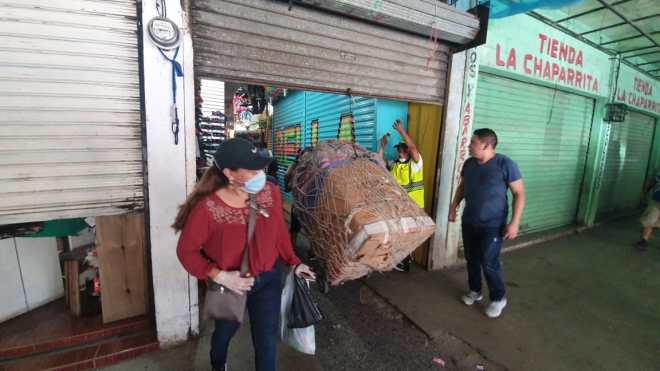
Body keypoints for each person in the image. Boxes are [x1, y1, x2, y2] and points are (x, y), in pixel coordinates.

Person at [173, 138, 314, 371]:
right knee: (223, 335)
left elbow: (279, 231)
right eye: (253, 170)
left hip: (269, 279)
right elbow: (186, 252)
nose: (261, 174)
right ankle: (219, 364)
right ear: (229, 173)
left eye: (261, 168)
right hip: (231, 283)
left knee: (267, 340)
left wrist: (294, 262)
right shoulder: (208, 209)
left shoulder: (270, 192)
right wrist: (219, 275)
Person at [448, 128, 525, 319]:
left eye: (472, 143)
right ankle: (475, 291)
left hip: (493, 224)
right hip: (470, 221)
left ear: (486, 145)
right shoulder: (469, 164)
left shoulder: (505, 164)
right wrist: (453, 206)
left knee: (488, 262)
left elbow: (519, 194)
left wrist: (514, 223)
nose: (469, 146)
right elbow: (463, 187)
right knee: (471, 258)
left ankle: (498, 298)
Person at [379, 120, 424, 272]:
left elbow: (413, 147)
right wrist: (382, 146)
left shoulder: (416, 164)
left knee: (408, 236)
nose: (401, 152)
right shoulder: (395, 164)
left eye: (403, 150)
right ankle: (403, 260)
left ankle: (406, 260)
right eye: (399, 150)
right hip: (398, 207)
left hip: (413, 208)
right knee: (398, 235)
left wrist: (401, 131)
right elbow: (379, 162)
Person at [633, 169, 660, 250]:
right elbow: (653, 182)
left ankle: (643, 241)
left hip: (656, 201)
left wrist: (645, 192)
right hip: (657, 200)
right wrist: (645, 191)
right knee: (650, 221)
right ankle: (643, 241)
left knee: (649, 220)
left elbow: (652, 182)